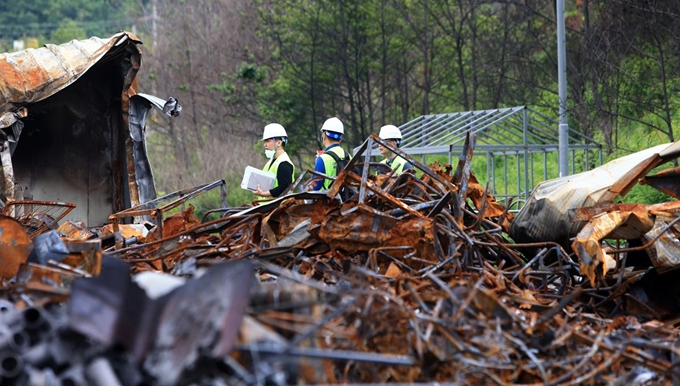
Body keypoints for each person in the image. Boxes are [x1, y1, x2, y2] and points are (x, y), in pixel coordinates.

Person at [254, 123, 295, 199]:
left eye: (268, 141)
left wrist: (264, 194)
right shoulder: (271, 162)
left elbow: (285, 187)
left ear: (279, 143)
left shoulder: (284, 163)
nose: (265, 145)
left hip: (278, 208)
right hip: (267, 207)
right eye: (265, 142)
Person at [310, 117, 350, 190]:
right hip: (347, 200)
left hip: (325, 200)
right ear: (340, 138)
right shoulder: (349, 156)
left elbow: (314, 187)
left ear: (324, 136)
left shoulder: (322, 159)